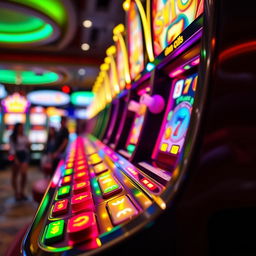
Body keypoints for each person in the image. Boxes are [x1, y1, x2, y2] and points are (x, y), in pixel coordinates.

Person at [9, 123, 30, 201]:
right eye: (20, 127)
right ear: (16, 128)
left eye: (22, 127)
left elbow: (27, 146)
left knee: (24, 174)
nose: (21, 129)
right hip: (16, 155)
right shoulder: (12, 137)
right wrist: (15, 159)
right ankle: (16, 193)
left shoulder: (25, 136)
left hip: (24, 155)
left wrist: (28, 145)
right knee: (15, 175)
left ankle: (22, 192)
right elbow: (12, 149)